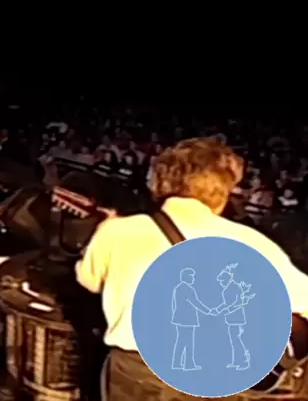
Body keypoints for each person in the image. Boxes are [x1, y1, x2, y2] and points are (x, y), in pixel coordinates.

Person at [74, 137, 308, 401]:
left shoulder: (118, 230)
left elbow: (90, 280)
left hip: (138, 375)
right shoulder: (251, 241)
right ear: (223, 191)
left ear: (158, 182)